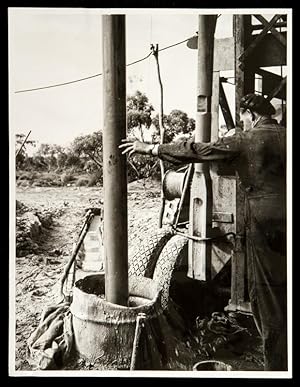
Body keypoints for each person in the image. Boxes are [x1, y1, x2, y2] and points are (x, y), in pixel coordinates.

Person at [119, 93, 287, 371]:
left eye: (243, 118)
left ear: (248, 114)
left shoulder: (245, 139)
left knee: (268, 298)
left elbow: (199, 150)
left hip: (264, 225)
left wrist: (151, 148)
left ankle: (277, 368)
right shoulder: (285, 135)